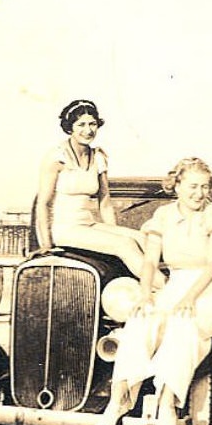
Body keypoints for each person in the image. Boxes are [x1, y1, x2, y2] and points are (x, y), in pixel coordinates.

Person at [97, 157, 212, 425]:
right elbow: (149, 262)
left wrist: (189, 298)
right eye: (192, 186)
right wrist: (145, 293)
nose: (199, 193)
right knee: (139, 321)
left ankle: (168, 402)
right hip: (176, 283)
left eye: (204, 187)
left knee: (182, 326)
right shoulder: (162, 216)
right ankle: (120, 397)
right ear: (177, 186)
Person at [36, 99, 164, 287]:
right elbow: (43, 204)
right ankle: (167, 288)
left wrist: (114, 232)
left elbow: (105, 201)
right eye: (81, 124)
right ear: (70, 127)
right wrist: (46, 245)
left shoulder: (98, 157)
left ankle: (165, 280)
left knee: (142, 239)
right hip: (65, 229)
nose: (88, 130)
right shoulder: (56, 157)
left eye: (92, 124)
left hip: (89, 224)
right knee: (125, 245)